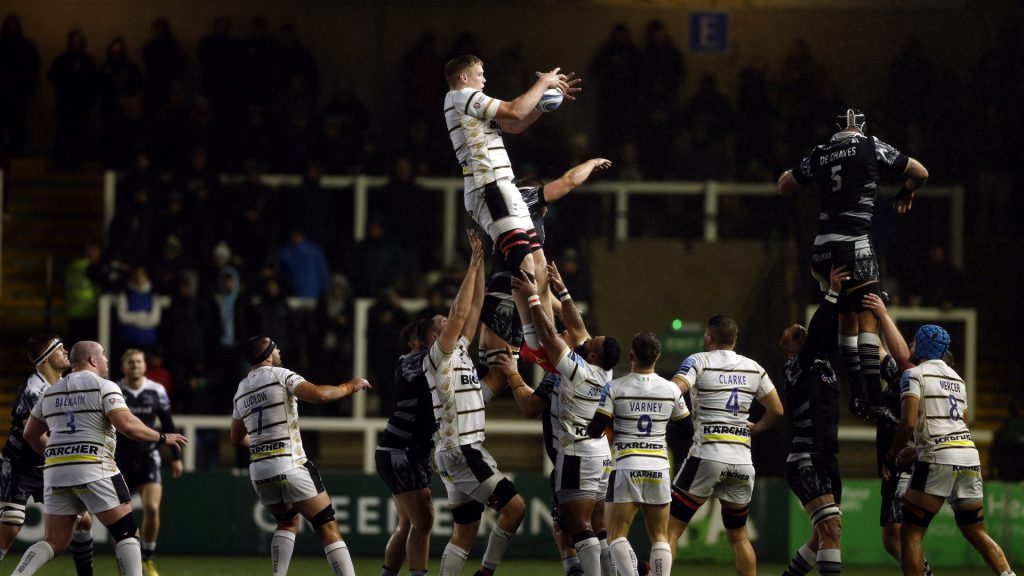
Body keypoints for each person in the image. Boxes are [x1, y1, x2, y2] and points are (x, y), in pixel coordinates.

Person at [777, 108, 929, 423]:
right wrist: (906, 191)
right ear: (861, 128)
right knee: (869, 315)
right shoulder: (870, 145)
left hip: (822, 249)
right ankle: (874, 395)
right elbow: (920, 172)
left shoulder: (820, 153)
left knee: (846, 316)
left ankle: (857, 395)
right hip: (855, 244)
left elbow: (785, 186)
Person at [11, 341, 188, 576]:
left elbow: (30, 434)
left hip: (56, 471)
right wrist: (162, 437)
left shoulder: (50, 392)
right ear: (93, 360)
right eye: (103, 356)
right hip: (95, 466)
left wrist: (56, 455)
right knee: (126, 532)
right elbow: (127, 425)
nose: (106, 361)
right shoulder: (104, 386)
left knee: (54, 541)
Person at [442, 54, 578, 348]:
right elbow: (516, 111)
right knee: (524, 259)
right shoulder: (461, 96)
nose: (484, 79)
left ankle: (544, 334)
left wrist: (543, 104)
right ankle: (532, 337)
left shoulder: (469, 102)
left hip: (504, 185)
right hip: (487, 186)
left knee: (538, 260)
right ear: (463, 78)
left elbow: (515, 124)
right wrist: (542, 83)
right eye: (480, 73)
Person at [424, 231, 526, 576]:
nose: (448, 322)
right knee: (515, 509)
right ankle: (486, 572)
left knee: (465, 531)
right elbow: (459, 311)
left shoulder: (460, 358)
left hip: (453, 449)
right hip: (463, 448)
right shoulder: (438, 356)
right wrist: (470, 266)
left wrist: (481, 263)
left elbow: (476, 306)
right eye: (440, 324)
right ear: (433, 338)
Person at [511, 267, 621, 576]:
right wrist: (563, 292)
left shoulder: (579, 370)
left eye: (592, 343)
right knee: (598, 526)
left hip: (576, 455)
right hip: (601, 456)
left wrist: (533, 296)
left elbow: (548, 335)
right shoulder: (603, 370)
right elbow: (577, 324)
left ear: (595, 356)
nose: (586, 341)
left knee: (577, 524)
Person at [230, 335, 371, 576]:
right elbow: (320, 395)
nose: (280, 349)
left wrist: (263, 445)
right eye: (275, 346)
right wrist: (349, 386)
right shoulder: (281, 374)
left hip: (260, 471)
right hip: (290, 463)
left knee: (287, 522)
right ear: (268, 355)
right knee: (327, 525)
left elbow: (236, 438)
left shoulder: (241, 389)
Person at [883, 324, 1016, 576]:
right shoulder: (957, 378)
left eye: (913, 341)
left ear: (921, 345)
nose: (910, 345)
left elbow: (908, 421)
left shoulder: (913, 375)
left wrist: (894, 452)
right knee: (976, 531)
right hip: (968, 456)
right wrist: (919, 451)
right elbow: (962, 423)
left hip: (938, 458)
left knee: (911, 532)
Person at [666, 316, 783, 576]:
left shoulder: (698, 360)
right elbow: (777, 409)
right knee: (739, 537)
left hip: (707, 456)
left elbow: (675, 391)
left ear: (708, 337)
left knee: (670, 530)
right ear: (734, 340)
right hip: (742, 460)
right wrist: (759, 427)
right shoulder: (754, 367)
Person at [481, 157, 612, 369]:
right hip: (507, 298)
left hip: (514, 295)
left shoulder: (515, 215)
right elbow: (569, 180)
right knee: (500, 373)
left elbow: (533, 275)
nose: (547, 207)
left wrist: (560, 307)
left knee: (542, 364)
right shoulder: (525, 198)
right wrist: (591, 163)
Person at [586, 332, 688, 576]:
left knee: (615, 535)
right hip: (659, 466)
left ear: (631, 355)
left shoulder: (615, 387)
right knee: (660, 536)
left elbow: (596, 429)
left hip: (626, 465)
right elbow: (687, 429)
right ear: (657, 356)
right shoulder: (671, 389)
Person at [0, 335, 94, 575]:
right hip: (19, 466)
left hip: (48, 466)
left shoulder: (67, 386)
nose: (66, 351)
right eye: (59, 348)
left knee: (83, 520)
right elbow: (34, 435)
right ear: (45, 359)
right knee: (11, 525)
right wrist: (64, 460)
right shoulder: (34, 389)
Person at [777, 265, 847, 576]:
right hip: (805, 458)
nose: (801, 333)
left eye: (801, 330)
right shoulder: (796, 367)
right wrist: (831, 293)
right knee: (830, 528)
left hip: (827, 456)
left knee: (823, 535)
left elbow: (829, 330)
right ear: (787, 347)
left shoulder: (822, 361)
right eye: (794, 334)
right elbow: (819, 328)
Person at [861, 292, 936, 575]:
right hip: (894, 463)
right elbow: (878, 349)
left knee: (901, 534)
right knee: (891, 539)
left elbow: (903, 358)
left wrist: (882, 312)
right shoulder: (901, 378)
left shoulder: (920, 376)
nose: (910, 347)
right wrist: (865, 315)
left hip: (907, 461)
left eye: (916, 344)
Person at [115, 349, 183, 576]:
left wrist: (176, 458)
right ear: (124, 367)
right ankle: (125, 564)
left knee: (152, 507)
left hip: (148, 456)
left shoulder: (156, 390)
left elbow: (168, 424)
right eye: (130, 362)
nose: (135, 365)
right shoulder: (115, 390)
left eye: (139, 361)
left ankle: (148, 559)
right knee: (120, 516)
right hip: (120, 459)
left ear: (145, 366)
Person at [376, 320, 436, 576]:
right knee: (423, 520)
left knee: (408, 523)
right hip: (400, 451)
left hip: (413, 451)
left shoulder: (430, 364)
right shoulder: (410, 361)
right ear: (414, 343)